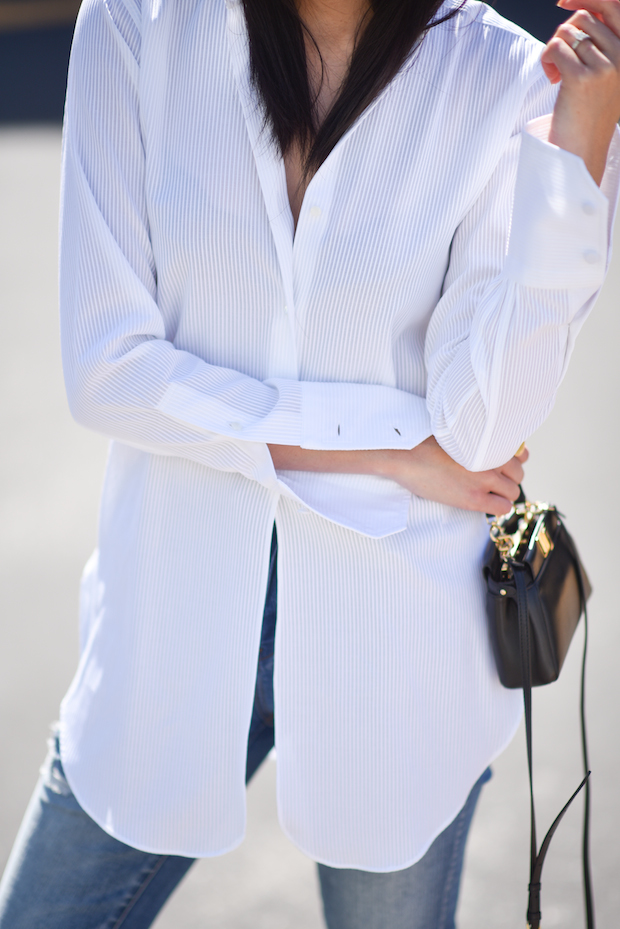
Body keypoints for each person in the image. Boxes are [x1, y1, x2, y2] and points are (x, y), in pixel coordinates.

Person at [1, 0, 619, 926]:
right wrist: (390, 452)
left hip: (402, 649)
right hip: (170, 621)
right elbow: (109, 372)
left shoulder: (506, 78)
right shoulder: (136, 26)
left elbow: (484, 426)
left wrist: (580, 146)